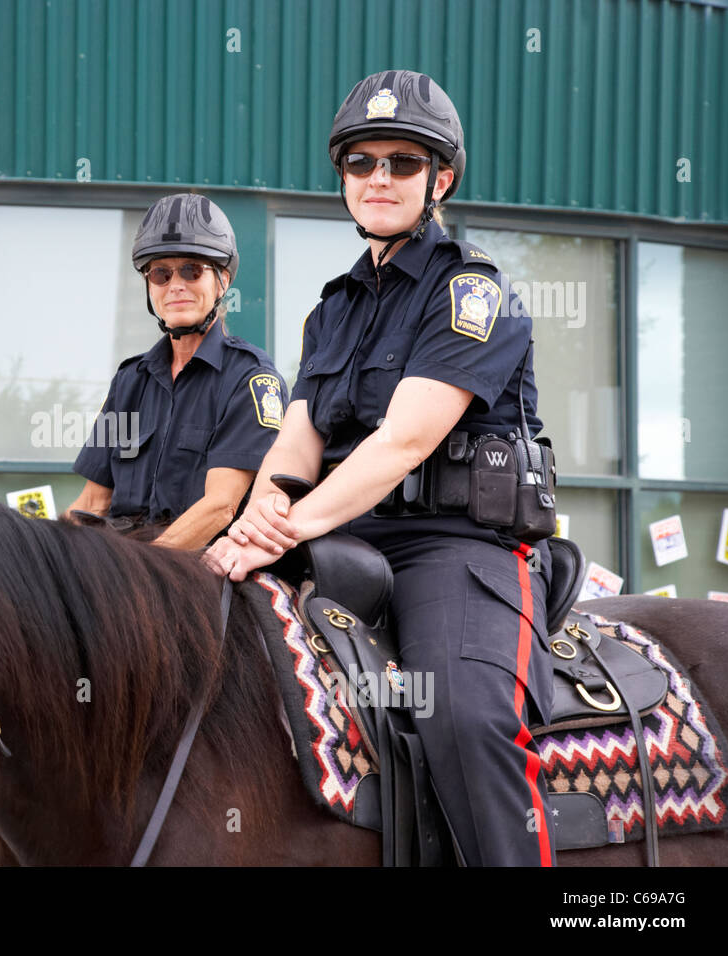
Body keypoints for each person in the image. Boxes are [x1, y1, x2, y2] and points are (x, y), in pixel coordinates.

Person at [206, 71, 557, 866]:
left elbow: (403, 441)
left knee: (464, 716)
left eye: (404, 161)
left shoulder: (473, 290)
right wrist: (254, 526)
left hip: (453, 547)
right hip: (339, 537)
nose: (379, 179)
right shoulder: (330, 309)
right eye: (361, 162)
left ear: (442, 178)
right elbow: (293, 448)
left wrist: (284, 526)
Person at [68, 193, 288, 550]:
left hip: (200, 569)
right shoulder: (129, 381)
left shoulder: (250, 379)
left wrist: (140, 572)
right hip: (120, 564)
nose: (175, 286)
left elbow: (221, 506)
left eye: (192, 270)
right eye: (160, 273)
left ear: (223, 280)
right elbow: (92, 503)